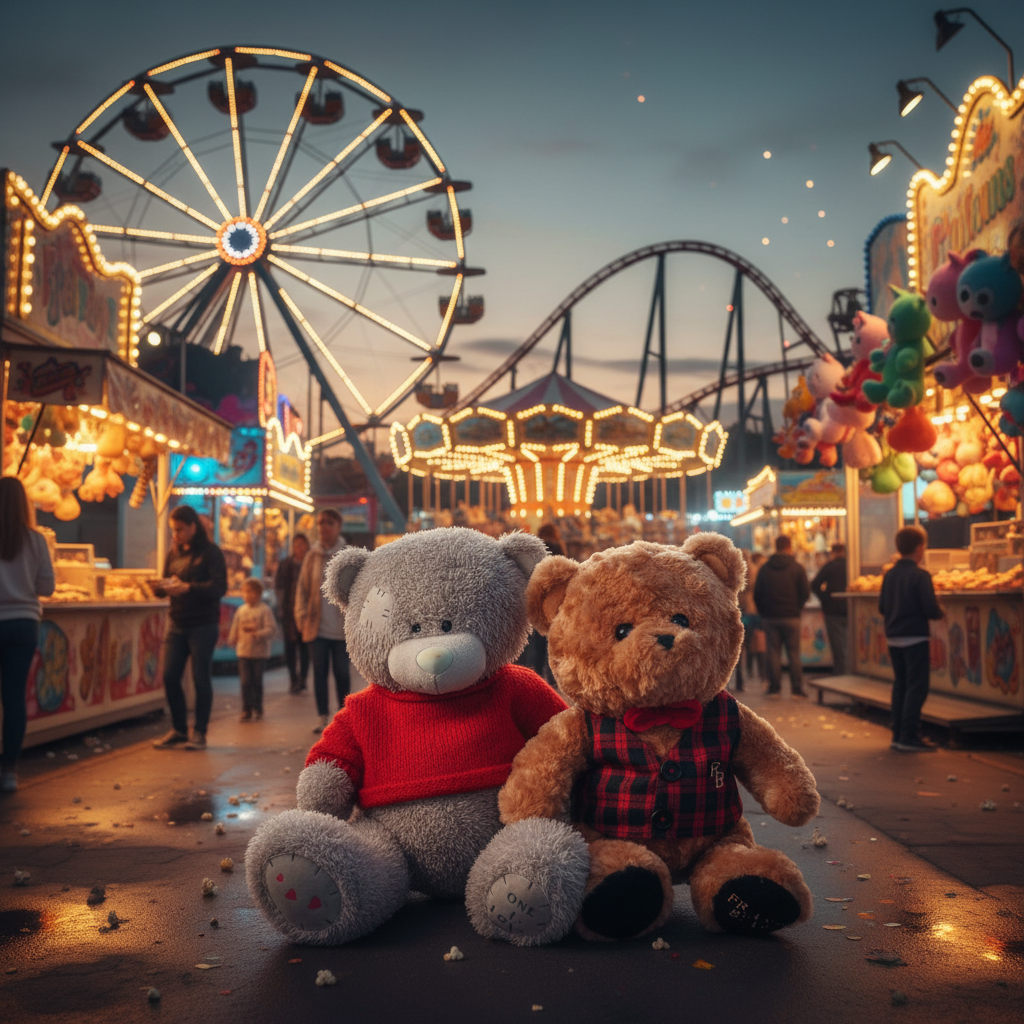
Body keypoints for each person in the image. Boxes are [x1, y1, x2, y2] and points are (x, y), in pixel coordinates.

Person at [153, 505, 227, 751]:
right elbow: (165, 582)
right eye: (173, 530)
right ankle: (179, 729)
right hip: (176, 623)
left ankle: (200, 732)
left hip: (203, 624)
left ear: (193, 527)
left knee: (200, 678)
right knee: (170, 676)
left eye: (180, 530)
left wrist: (189, 588)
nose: (175, 534)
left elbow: (219, 588)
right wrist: (159, 586)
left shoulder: (210, 552)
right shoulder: (173, 553)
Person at [0, 477, 55, 792]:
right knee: (13, 698)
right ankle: (9, 772)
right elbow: (46, 587)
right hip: (23, 624)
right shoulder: (36, 540)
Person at [879, 526, 943, 753]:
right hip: (915, 637)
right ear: (920, 548)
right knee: (917, 687)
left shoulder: (889, 575)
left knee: (901, 685)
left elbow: (882, 607)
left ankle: (897, 734)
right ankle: (909, 735)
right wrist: (939, 612)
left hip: (894, 637)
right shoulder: (921, 575)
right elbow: (929, 607)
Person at [295, 507, 349, 733]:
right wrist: (301, 616)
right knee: (318, 672)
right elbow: (303, 588)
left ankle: (345, 716)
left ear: (338, 526)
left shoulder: (348, 554)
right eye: (320, 523)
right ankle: (322, 716)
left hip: (342, 628)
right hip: (316, 627)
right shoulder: (313, 554)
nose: (323, 527)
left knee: (341, 672)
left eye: (328, 522)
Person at [754, 534, 810, 699]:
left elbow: (758, 594)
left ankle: (774, 689)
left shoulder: (765, 569)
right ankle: (797, 690)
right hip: (792, 617)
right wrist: (797, 607)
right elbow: (805, 592)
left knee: (773, 653)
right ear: (789, 547)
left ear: (775, 547)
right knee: (794, 653)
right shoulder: (798, 568)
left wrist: (764, 612)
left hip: (770, 617)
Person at [229, 577, 275, 722]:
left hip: (259, 653)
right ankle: (246, 709)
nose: (248, 595)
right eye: (245, 592)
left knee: (257, 681)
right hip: (243, 651)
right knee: (245, 682)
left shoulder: (264, 610)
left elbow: (271, 629)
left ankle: (258, 707)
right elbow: (235, 627)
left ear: (259, 594)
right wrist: (232, 638)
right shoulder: (241, 610)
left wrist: (258, 634)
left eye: (251, 592)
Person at [274, 532, 309, 693]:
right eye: (296, 544)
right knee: (290, 648)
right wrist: (280, 606)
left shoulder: (309, 563)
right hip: (289, 611)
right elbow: (279, 586)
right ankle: (293, 679)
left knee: (304, 647)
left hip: (306, 612)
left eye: (302, 544)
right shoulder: (285, 564)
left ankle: (302, 677)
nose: (299, 547)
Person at [812, 543, 848, 675]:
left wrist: (825, 599)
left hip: (833, 611)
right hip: (851, 609)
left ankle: (841, 673)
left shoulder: (829, 566)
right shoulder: (851, 565)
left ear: (832, 553)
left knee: (838, 646)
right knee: (852, 644)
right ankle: (851, 672)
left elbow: (815, 584)